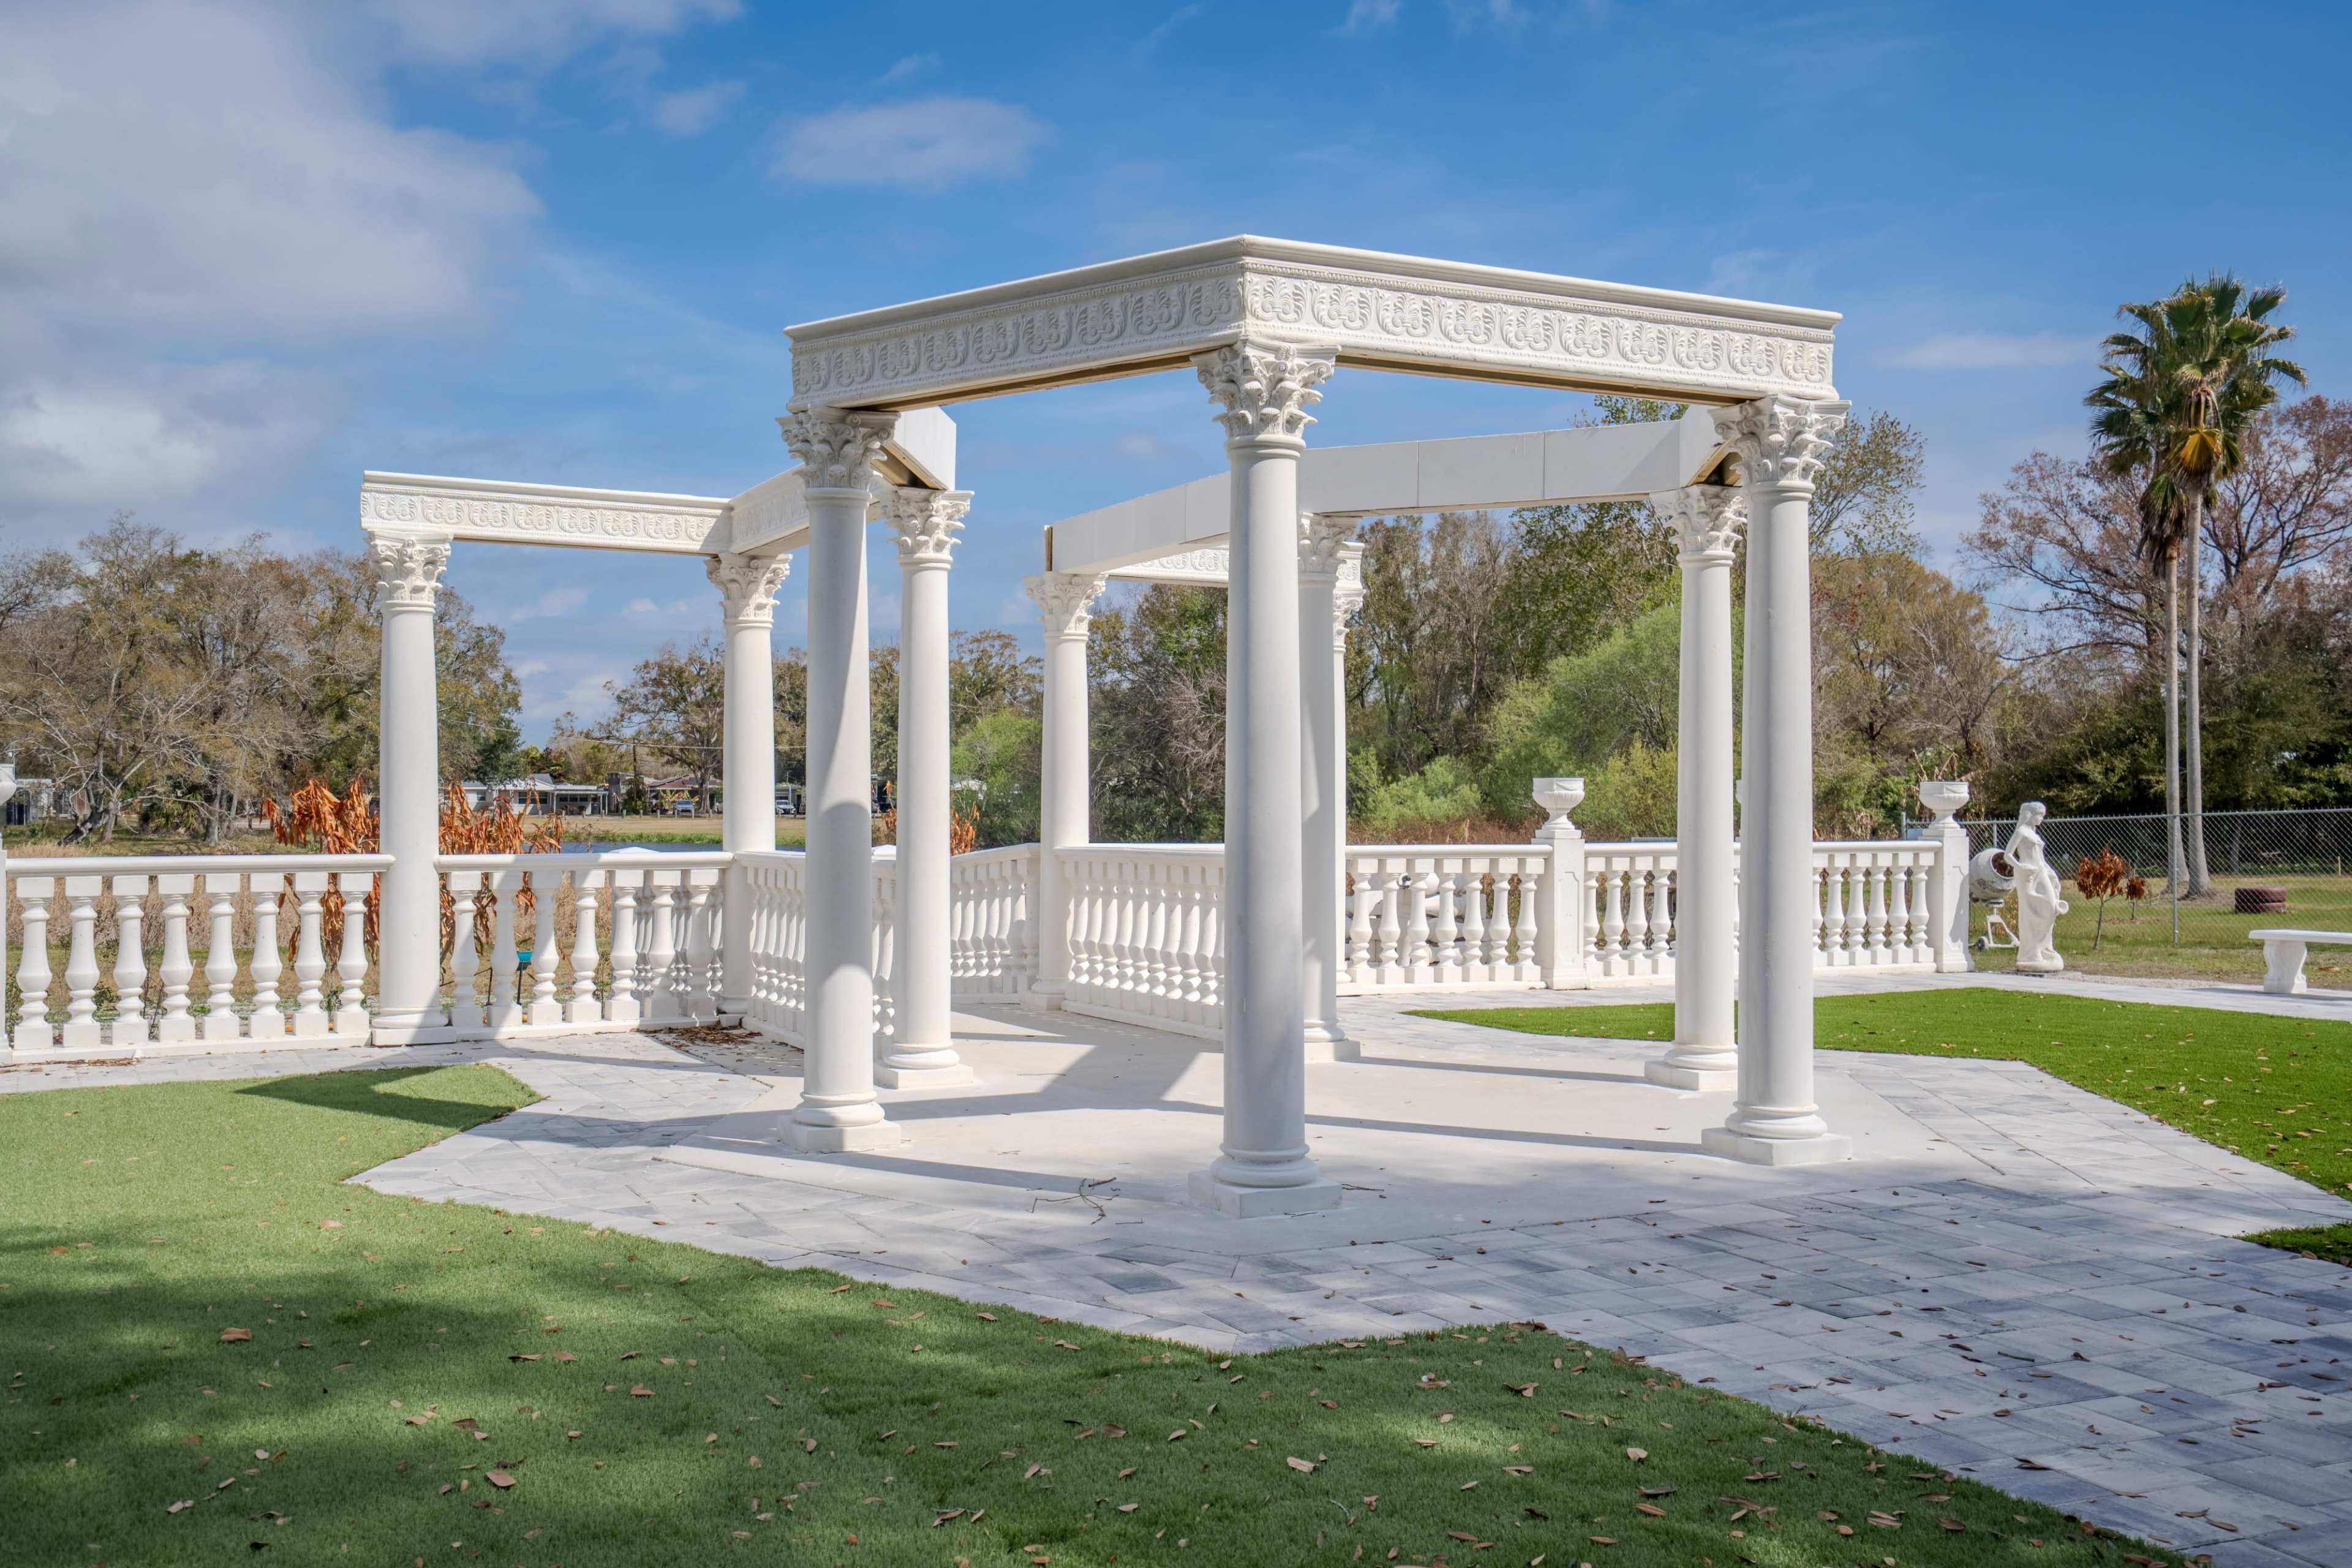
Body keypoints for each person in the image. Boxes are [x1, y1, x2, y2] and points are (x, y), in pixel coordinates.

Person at [2008, 801, 2070, 973]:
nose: (2042, 819)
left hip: (2041, 873)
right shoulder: (2021, 832)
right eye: (2039, 815)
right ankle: (2031, 952)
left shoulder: (2034, 833)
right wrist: (2021, 867)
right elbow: (2008, 855)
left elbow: (2041, 859)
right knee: (2032, 912)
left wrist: (2051, 874)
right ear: (2030, 815)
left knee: (2051, 908)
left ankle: (2045, 947)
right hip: (2028, 875)